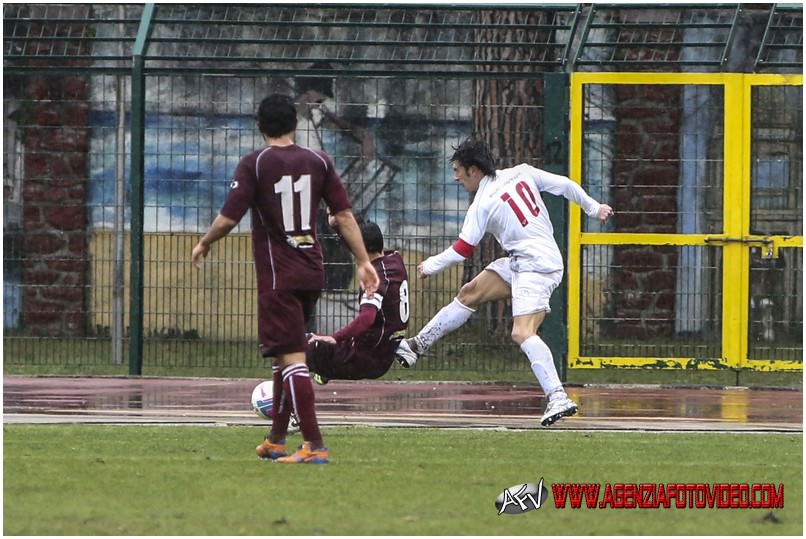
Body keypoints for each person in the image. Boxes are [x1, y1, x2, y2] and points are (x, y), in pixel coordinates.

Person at [191, 93, 379, 464]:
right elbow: (342, 215)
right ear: (294, 124)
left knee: (293, 358)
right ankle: (276, 439)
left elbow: (229, 218)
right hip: (312, 268)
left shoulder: (255, 164)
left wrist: (204, 242)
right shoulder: (319, 161)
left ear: (259, 125)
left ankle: (313, 444)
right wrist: (362, 260)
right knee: (284, 356)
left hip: (279, 275)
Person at [395, 137, 613, 427]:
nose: (455, 177)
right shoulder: (521, 171)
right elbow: (564, 184)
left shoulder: (482, 203)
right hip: (528, 261)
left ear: (473, 170)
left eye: (458, 170)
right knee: (470, 292)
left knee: (522, 333)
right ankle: (417, 345)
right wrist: (593, 207)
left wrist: (430, 265)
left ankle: (558, 396)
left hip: (535, 267)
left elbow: (463, 249)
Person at [305, 218, 409, 384]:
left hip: (361, 358)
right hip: (383, 356)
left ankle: (282, 402)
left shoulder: (375, 279)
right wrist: (338, 226)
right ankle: (325, 369)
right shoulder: (394, 260)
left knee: (294, 349)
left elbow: (367, 318)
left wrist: (335, 338)